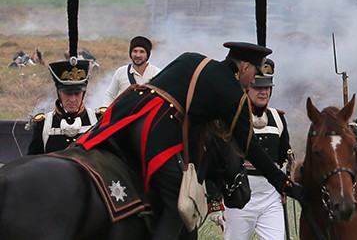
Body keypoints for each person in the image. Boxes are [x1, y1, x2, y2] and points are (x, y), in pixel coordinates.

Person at [76, 42, 306, 240]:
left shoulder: (192, 59)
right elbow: (250, 148)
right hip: (155, 129)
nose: (253, 81)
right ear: (244, 67)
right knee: (180, 204)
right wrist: (286, 185)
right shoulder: (232, 95)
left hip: (127, 114)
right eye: (254, 74)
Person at [224, 58, 292, 240]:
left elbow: (284, 154)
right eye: (258, 87)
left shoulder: (278, 118)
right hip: (240, 194)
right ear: (247, 88)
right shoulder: (232, 117)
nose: (263, 92)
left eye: (267, 87)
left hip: (270, 195)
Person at [28, 57, 104, 154]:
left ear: (83, 94)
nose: (72, 99)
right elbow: (34, 162)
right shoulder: (43, 125)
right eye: (67, 94)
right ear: (59, 92)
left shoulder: (98, 120)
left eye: (77, 94)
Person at [103, 36, 161, 106]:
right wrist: (105, 110)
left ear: (147, 55)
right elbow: (110, 95)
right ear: (131, 53)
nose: (138, 55)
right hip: (125, 115)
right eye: (135, 51)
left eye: (142, 52)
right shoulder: (120, 72)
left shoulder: (157, 73)